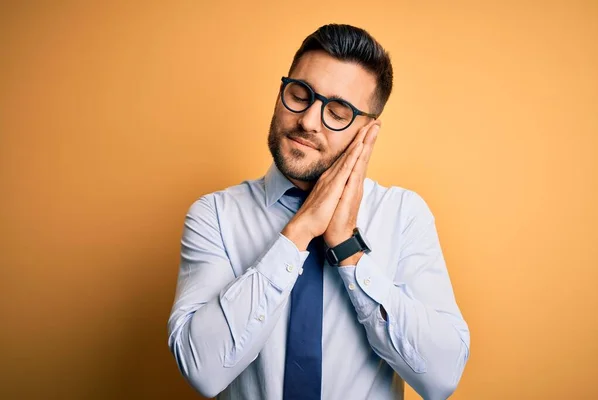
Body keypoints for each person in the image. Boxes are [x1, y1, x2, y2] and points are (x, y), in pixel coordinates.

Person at [167, 23, 470, 400]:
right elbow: (203, 370)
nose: (308, 121)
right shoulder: (214, 215)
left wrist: (347, 250)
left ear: (367, 132)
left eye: (338, 111)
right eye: (300, 94)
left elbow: (441, 377)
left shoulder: (404, 215)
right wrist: (298, 232)